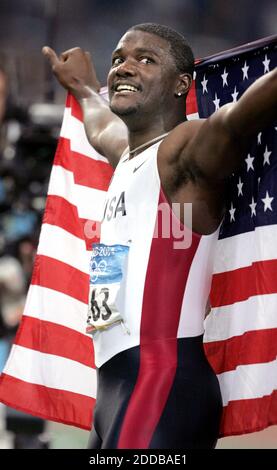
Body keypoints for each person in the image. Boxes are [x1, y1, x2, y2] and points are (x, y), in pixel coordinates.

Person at [42, 23, 277, 449]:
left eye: (145, 60)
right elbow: (99, 129)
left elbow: (237, 120)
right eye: (118, 60)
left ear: (181, 84)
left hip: (161, 386)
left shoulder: (185, 154)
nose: (124, 68)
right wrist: (81, 87)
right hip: (113, 389)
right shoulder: (128, 154)